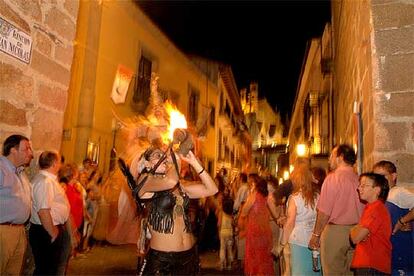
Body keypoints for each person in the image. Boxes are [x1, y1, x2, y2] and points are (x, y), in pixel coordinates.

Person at [137, 146, 218, 275]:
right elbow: (170, 181)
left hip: (189, 256)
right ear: (146, 163)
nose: (163, 158)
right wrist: (175, 159)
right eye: (158, 156)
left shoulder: (179, 186)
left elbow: (212, 189)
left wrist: (194, 162)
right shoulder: (144, 180)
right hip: (163, 261)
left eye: (163, 155)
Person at [308, 144, 364, 275]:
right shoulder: (359, 179)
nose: (329, 160)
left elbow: (324, 212)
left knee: (332, 271)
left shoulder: (333, 178)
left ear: (340, 157)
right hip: (357, 231)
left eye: (332, 156)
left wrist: (316, 235)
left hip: (335, 232)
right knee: (351, 272)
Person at [29, 151, 70, 275]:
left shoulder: (48, 180)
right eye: (59, 162)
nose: (60, 165)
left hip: (48, 229)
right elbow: (43, 210)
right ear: (54, 163)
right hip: (46, 230)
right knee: (46, 270)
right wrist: (53, 232)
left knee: (50, 268)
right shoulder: (44, 182)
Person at [373, 160, 414, 275]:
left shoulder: (397, 192)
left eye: (382, 176)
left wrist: (403, 221)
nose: (379, 180)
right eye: (376, 177)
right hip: (388, 253)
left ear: (393, 176)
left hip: (400, 251)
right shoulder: (380, 197)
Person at [0, 134, 33, 275]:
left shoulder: (20, 173)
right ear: (13, 150)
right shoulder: (1, 170)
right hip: (3, 231)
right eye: (26, 149)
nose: (31, 154)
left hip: (19, 231)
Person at [279, 163, 320, 275]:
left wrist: (282, 243)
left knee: (300, 271)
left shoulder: (295, 198)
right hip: (315, 239)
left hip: (298, 240)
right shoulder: (318, 196)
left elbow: (290, 223)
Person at [350, 173, 392, 275]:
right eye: (360, 185)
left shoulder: (376, 209)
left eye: (364, 185)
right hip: (370, 264)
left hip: (372, 264)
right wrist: (357, 229)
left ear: (377, 190)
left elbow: (356, 238)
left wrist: (353, 230)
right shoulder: (371, 208)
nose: (359, 188)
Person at [241, 175, 274, 276]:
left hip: (254, 233)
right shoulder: (267, 197)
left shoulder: (252, 196)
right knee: (264, 259)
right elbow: (275, 214)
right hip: (265, 232)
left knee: (254, 259)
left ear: (255, 185)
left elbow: (244, 212)